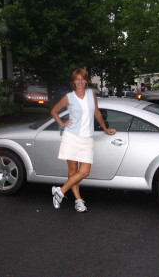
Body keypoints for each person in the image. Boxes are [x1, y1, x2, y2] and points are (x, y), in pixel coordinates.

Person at [50, 68, 116, 212]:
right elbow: (54, 111)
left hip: (87, 138)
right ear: (74, 82)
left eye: (82, 79)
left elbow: (97, 112)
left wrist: (105, 128)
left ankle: (60, 192)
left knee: (84, 171)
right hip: (71, 136)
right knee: (73, 171)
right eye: (77, 79)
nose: (80, 82)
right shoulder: (69, 97)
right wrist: (62, 123)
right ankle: (78, 200)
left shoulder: (91, 93)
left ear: (86, 81)